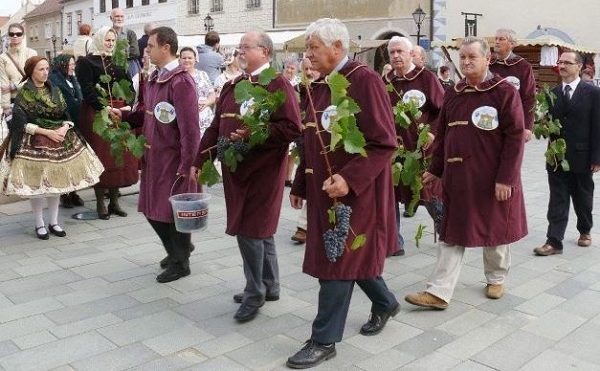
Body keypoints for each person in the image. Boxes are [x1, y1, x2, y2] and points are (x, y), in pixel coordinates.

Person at [287, 18, 399, 369]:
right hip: (324, 192)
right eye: (308, 48)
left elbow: (384, 143)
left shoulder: (364, 81)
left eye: (313, 47)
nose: (308, 55)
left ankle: (324, 339)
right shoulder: (319, 86)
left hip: (356, 194)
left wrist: (350, 180)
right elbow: (310, 138)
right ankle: (385, 303)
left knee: (336, 262)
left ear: (337, 47)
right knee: (349, 254)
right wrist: (301, 185)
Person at [404, 36, 527, 310]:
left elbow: (516, 137)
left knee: (494, 229)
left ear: (487, 59)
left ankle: (496, 278)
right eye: (463, 57)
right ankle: (438, 292)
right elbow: (444, 134)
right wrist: (435, 170)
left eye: (472, 57)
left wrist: (506, 178)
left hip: (492, 178)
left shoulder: (503, 91)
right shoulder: (455, 92)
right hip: (457, 178)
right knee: (451, 232)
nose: (467, 61)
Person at [194, 30, 302, 322]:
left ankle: (255, 293)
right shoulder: (233, 86)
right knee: (260, 230)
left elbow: (292, 128)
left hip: (264, 171)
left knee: (250, 230)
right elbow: (216, 128)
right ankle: (270, 285)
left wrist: (257, 134)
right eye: (239, 48)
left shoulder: (279, 85)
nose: (240, 52)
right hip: (235, 172)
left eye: (246, 47)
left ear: (265, 52)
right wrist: (200, 159)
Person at [117, 27, 200, 283]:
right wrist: (125, 115)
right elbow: (150, 114)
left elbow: (190, 129)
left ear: (166, 47)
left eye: (151, 46)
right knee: (151, 209)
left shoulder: (181, 82)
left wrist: (189, 164)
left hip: (173, 159)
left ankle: (180, 261)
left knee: (170, 211)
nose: (147, 50)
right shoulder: (154, 79)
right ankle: (179, 249)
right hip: (154, 157)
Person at [0, 56, 103, 239]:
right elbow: (20, 123)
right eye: (41, 69)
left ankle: (54, 222)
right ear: (31, 71)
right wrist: (47, 132)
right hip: (33, 141)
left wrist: (64, 128)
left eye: (47, 68)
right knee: (38, 187)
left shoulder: (54, 89)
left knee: (56, 185)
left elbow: (66, 113)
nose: (45, 72)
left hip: (59, 138)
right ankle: (39, 224)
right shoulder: (25, 93)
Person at [533, 51, 600, 256]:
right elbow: (543, 123)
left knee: (583, 197)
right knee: (558, 199)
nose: (561, 65)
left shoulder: (593, 93)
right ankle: (554, 241)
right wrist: (541, 124)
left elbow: (598, 126)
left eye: (566, 63)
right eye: (560, 62)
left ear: (578, 66)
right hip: (556, 157)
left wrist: (597, 157)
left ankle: (585, 230)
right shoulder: (551, 93)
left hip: (582, 156)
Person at [383, 36, 444, 256]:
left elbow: (442, 110)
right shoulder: (386, 81)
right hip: (392, 150)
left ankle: (445, 227)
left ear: (410, 54)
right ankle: (394, 242)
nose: (396, 56)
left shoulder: (426, 78)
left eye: (400, 51)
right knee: (389, 194)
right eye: (392, 53)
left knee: (427, 192)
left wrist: (432, 132)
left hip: (421, 149)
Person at [76, 26, 138, 220]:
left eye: (113, 40)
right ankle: (100, 202)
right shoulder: (86, 62)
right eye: (107, 40)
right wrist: (103, 107)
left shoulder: (119, 61)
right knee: (101, 156)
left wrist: (127, 105)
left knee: (118, 154)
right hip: (98, 112)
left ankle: (114, 201)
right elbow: (87, 89)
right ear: (99, 40)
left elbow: (129, 86)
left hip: (119, 113)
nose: (110, 43)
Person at [48, 54, 86, 208]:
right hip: (62, 124)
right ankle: (65, 194)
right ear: (62, 64)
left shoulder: (72, 79)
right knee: (64, 161)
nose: (72, 67)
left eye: (73, 64)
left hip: (76, 123)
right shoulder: (54, 80)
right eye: (70, 64)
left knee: (74, 160)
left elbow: (78, 98)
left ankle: (74, 192)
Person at [290, 57, 320, 245]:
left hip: (322, 145)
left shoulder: (328, 90)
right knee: (309, 174)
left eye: (312, 68)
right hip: (303, 141)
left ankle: (305, 225)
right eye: (305, 69)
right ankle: (305, 225)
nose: (309, 73)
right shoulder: (297, 91)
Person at [489, 28, 536, 142]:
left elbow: (529, 98)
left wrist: (527, 126)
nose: (497, 41)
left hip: (513, 121)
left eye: (501, 39)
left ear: (512, 44)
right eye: (496, 39)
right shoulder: (488, 64)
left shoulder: (523, 66)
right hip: (489, 119)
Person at [0, 24, 37, 119]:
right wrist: (6, 107)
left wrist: (14, 86)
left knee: (33, 130)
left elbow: (34, 78)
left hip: (31, 98)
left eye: (18, 34)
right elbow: (4, 85)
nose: (15, 36)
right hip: (14, 101)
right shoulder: (3, 58)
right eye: (11, 34)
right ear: (8, 35)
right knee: (16, 131)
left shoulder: (31, 53)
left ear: (23, 35)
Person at [179, 46, 216, 136]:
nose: (187, 60)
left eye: (190, 58)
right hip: (187, 120)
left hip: (206, 120)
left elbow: (212, 95)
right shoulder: (177, 77)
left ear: (195, 59)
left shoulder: (203, 74)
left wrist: (206, 102)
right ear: (179, 60)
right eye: (184, 58)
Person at [110, 8, 142, 78]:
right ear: (111, 18)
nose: (120, 19)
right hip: (113, 67)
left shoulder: (130, 33)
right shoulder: (107, 33)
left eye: (122, 16)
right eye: (117, 16)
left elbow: (135, 52)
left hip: (130, 67)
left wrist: (117, 55)